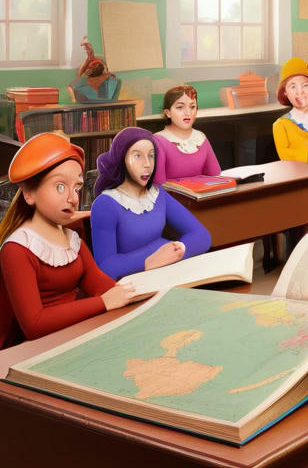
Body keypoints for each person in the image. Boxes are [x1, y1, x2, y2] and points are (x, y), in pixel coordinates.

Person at [0, 133, 135, 348]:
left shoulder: (73, 241)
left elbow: (103, 286)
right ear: (29, 194)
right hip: (34, 351)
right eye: (60, 187)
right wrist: (103, 303)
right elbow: (34, 325)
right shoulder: (17, 249)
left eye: (77, 188)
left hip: (73, 336)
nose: (73, 198)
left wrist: (136, 293)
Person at [90, 127, 212, 282]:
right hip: (136, 284)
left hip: (170, 273)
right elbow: (105, 267)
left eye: (151, 155)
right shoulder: (105, 204)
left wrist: (178, 251)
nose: (147, 164)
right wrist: (149, 261)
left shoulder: (157, 194)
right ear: (122, 159)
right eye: (137, 156)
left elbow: (202, 236)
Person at [152, 84, 222, 185]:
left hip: (202, 198)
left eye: (192, 107)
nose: (187, 112)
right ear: (168, 113)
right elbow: (157, 186)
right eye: (180, 107)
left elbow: (215, 177)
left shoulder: (201, 137)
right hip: (171, 199)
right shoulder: (158, 140)